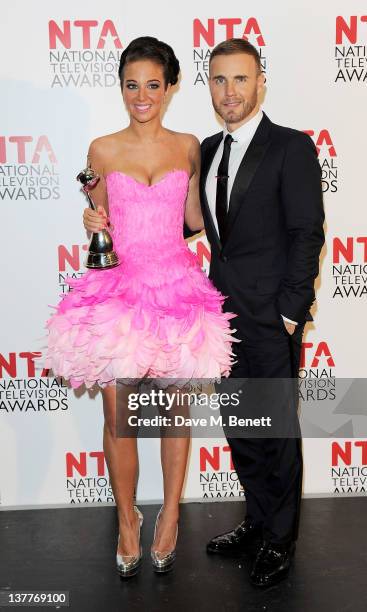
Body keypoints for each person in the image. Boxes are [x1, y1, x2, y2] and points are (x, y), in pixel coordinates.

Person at [44, 36, 235, 578]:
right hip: (120, 290)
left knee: (176, 413)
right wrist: (92, 222)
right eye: (133, 85)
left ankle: (169, 516)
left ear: (171, 87)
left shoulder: (189, 146)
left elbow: (195, 219)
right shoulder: (102, 150)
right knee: (117, 415)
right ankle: (127, 517)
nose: (142, 95)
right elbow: (100, 220)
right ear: (122, 88)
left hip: (175, 286)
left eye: (153, 85)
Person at [201, 39, 325, 587]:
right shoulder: (205, 150)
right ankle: (255, 522)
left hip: (272, 319)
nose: (230, 92)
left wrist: (290, 313)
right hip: (221, 319)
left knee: (275, 431)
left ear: (260, 81)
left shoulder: (290, 147)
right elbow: (187, 224)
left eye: (240, 79)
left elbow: (307, 233)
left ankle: (280, 539)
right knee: (242, 430)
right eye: (219, 81)